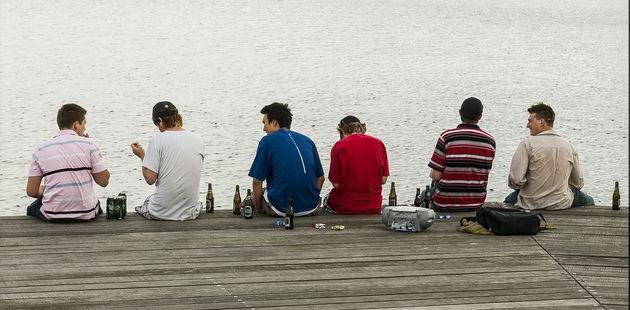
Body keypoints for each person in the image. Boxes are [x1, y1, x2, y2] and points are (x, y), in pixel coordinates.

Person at [26, 103, 110, 221]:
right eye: (84, 123)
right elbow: (103, 181)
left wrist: (47, 189)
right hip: (86, 213)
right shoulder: (90, 145)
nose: (85, 128)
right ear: (76, 125)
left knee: (32, 208)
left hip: (53, 214)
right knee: (94, 202)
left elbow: (31, 191)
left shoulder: (41, 149)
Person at [505, 102, 593, 210]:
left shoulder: (527, 144)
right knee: (589, 200)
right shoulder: (569, 146)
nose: (527, 125)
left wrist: (529, 186)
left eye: (530, 121)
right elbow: (578, 183)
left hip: (531, 202)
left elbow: (516, 180)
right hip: (561, 203)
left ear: (542, 122)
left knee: (508, 201)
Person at [130, 101, 205, 220]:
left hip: (162, 212)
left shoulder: (158, 139)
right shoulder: (198, 140)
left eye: (157, 124)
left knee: (147, 202)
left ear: (160, 120)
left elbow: (150, 179)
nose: (158, 128)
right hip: (190, 211)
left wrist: (142, 155)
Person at [249, 102, 325, 217]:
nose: (264, 129)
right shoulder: (308, 140)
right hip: (311, 207)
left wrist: (259, 209)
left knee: (254, 195)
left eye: (265, 123)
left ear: (274, 122)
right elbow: (320, 178)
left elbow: (257, 182)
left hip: (281, 209)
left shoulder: (267, 141)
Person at [426, 97, 496, 211]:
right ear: (480, 116)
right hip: (475, 203)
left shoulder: (446, 137)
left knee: (427, 192)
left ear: (460, 113)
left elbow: (436, 175)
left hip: (445, 202)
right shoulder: (490, 142)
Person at [324, 115, 389, 214]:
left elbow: (336, 184)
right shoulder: (379, 143)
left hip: (345, 206)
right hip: (373, 205)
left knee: (326, 199)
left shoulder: (339, 146)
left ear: (342, 131)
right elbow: (383, 180)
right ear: (361, 128)